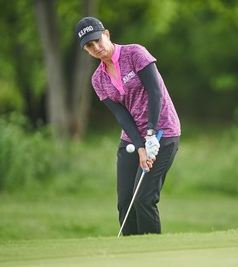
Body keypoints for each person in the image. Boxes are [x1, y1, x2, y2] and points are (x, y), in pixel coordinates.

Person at [75, 17, 181, 236]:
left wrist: (151, 134)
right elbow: (122, 116)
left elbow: (155, 92)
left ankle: (151, 255)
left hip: (163, 132)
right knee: (125, 202)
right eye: (89, 46)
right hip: (132, 138)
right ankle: (130, 254)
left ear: (106, 34)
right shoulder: (98, 80)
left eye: (97, 40)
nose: (96, 48)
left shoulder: (135, 54)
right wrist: (141, 146)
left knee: (143, 199)